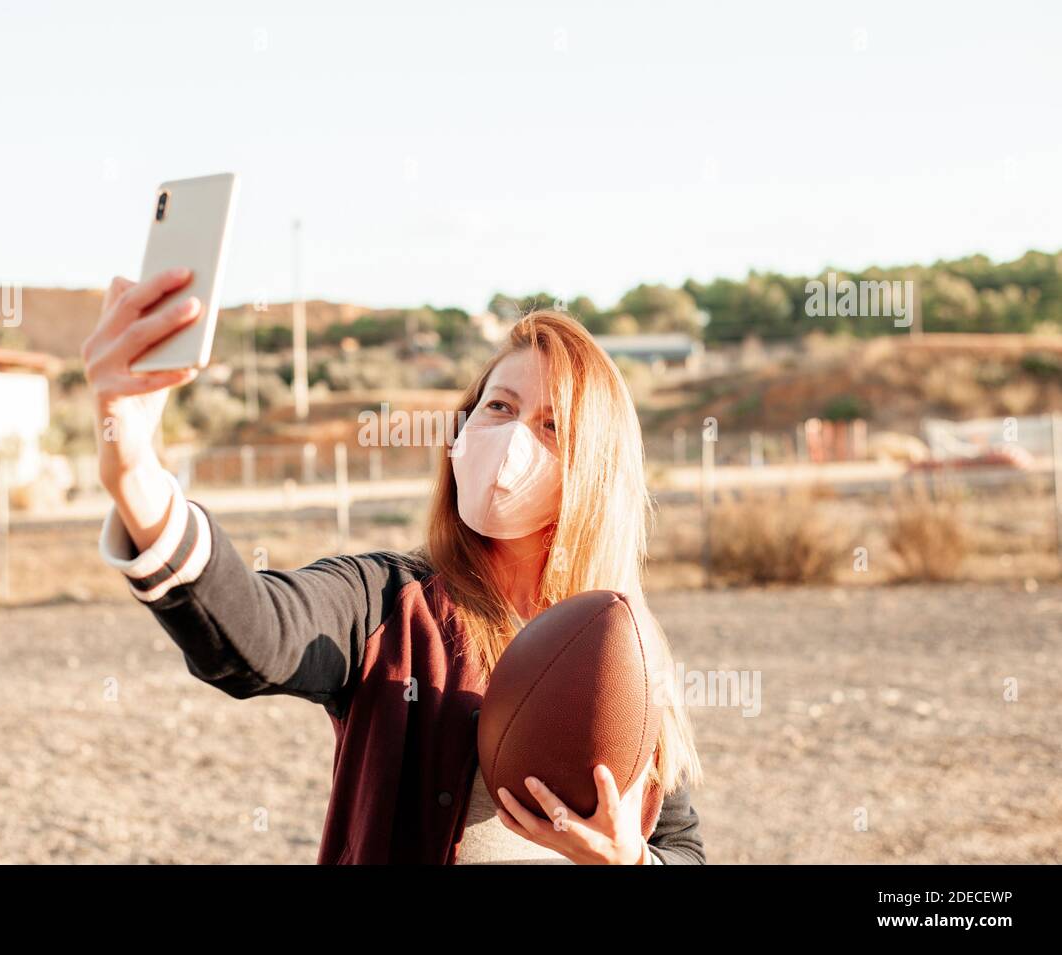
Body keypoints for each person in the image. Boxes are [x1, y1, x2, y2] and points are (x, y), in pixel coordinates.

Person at [85, 268, 705, 864]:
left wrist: (627, 861)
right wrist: (137, 477)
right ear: (460, 430)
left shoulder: (620, 648)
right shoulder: (386, 602)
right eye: (499, 407)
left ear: (597, 470)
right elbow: (255, 632)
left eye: (551, 425)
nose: (514, 439)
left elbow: (682, 850)